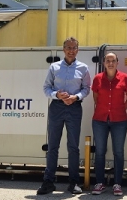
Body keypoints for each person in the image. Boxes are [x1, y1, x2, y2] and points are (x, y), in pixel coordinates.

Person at [38, 37, 91, 195]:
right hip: (57, 107)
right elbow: (46, 88)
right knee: (53, 145)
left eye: (74, 48)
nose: (71, 50)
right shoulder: (54, 67)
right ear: (63, 49)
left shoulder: (83, 68)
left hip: (74, 108)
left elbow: (86, 88)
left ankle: (74, 182)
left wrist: (76, 97)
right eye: (68, 47)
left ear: (78, 50)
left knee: (73, 146)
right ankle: (48, 182)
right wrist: (57, 95)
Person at [90, 52, 127, 196]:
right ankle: (100, 183)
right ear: (104, 63)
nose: (110, 63)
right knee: (100, 152)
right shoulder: (97, 79)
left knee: (118, 152)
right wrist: (105, 109)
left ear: (117, 62)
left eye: (113, 60)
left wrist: (120, 109)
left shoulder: (124, 78)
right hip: (100, 120)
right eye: (108, 60)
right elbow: (95, 97)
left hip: (119, 120)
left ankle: (117, 184)